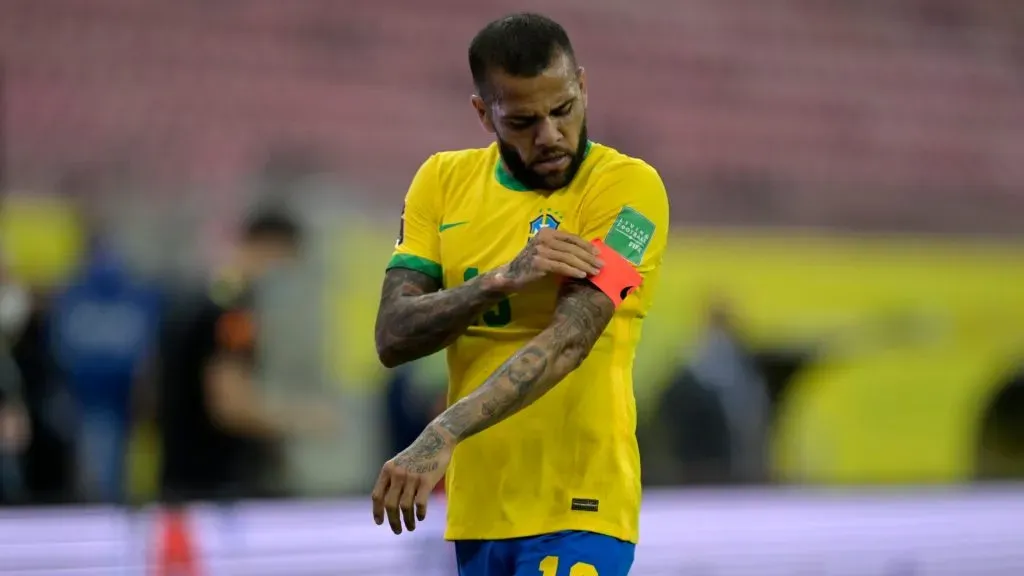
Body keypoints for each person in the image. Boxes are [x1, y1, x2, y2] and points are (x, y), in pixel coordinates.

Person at [370, 13, 669, 576]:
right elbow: (392, 335)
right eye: (524, 121)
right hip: (479, 510)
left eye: (563, 110)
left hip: (580, 502)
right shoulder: (441, 182)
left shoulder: (629, 190)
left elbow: (569, 341)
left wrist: (443, 431)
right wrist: (498, 281)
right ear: (484, 114)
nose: (551, 135)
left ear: (582, 84)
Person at [159, 209, 333, 501]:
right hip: (214, 488)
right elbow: (230, 405)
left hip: (181, 478)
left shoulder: (196, 299)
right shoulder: (234, 312)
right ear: (272, 248)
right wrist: (305, 419)